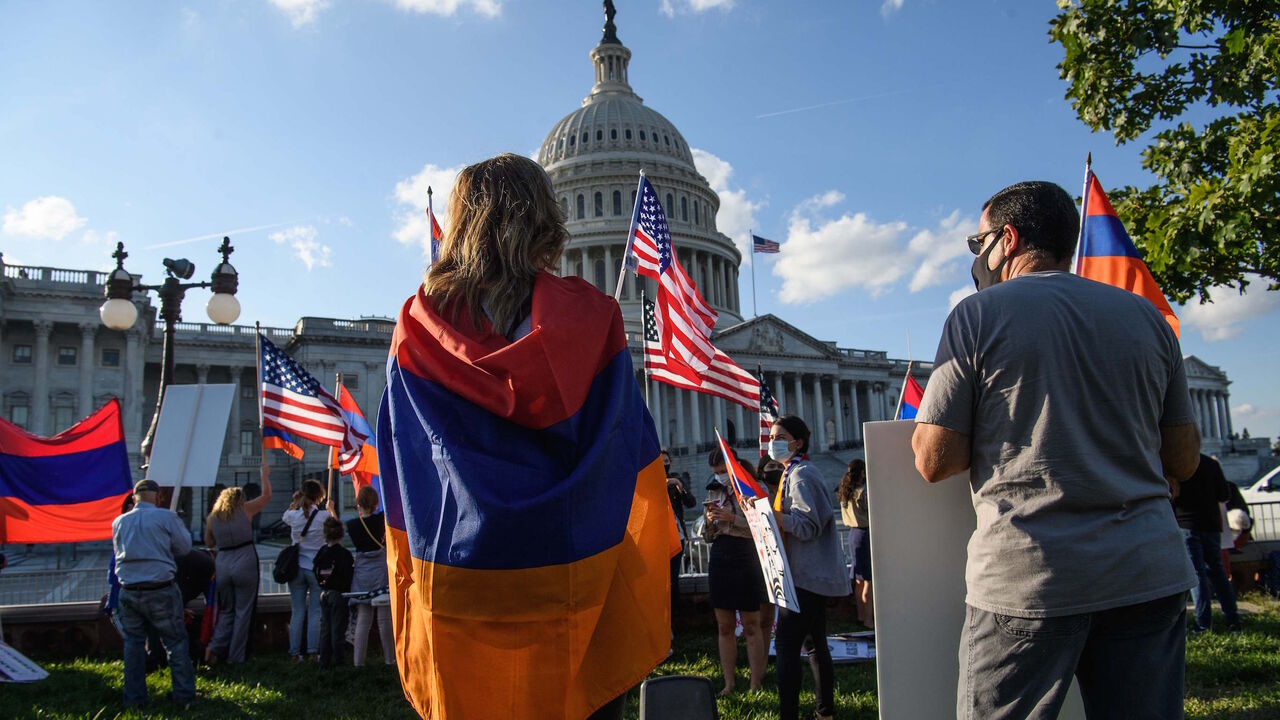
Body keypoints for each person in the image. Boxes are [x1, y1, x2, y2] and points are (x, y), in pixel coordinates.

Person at [377, 153, 670, 720]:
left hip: (457, 576)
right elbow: (622, 446)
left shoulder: (417, 326)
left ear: (462, 225)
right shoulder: (593, 318)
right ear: (545, 219)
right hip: (573, 573)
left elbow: (405, 461)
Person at [911, 180, 1200, 720]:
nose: (978, 259)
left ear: (1009, 240)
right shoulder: (1149, 320)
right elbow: (1183, 459)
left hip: (1030, 576)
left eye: (979, 245)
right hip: (1146, 570)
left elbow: (934, 460)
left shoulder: (977, 316)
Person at [767, 415, 850, 720]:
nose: (772, 442)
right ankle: (824, 712)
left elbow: (808, 526)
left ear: (797, 442)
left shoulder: (801, 475)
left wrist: (775, 518)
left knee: (787, 647)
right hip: (809, 575)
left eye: (779, 437)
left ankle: (789, 714)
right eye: (771, 437)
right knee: (815, 645)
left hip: (805, 577)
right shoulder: (795, 472)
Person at [110, 479, 196, 709]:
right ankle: (183, 694)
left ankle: (134, 699)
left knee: (133, 645)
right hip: (160, 589)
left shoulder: (119, 522)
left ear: (134, 497)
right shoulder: (166, 518)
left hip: (128, 590)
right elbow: (184, 548)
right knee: (175, 642)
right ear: (158, 497)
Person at [702, 448, 767, 696]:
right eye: (716, 473)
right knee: (724, 626)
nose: (720, 477)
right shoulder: (714, 491)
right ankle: (729, 683)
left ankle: (755, 682)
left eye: (722, 472)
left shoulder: (751, 487)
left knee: (752, 623)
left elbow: (763, 527)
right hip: (721, 556)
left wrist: (733, 518)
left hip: (746, 556)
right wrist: (709, 522)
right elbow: (708, 536)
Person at [203, 461, 273, 664]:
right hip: (245, 559)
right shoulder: (245, 510)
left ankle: (215, 647)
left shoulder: (213, 518)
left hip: (223, 561)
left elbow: (209, 542)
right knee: (243, 612)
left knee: (227, 610)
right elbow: (266, 497)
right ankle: (236, 657)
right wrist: (264, 476)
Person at [1173, 453, 1242, 633]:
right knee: (1217, 571)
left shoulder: (1177, 463)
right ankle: (1233, 620)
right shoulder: (1211, 464)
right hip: (1211, 524)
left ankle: (1203, 623)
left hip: (1186, 523)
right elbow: (1224, 494)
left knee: (1197, 574)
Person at [342, 485, 395, 667]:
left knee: (363, 619)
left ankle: (359, 662)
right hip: (380, 571)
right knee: (384, 619)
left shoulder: (352, 525)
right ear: (375, 503)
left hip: (362, 573)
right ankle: (390, 659)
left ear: (358, 503)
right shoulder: (381, 520)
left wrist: (332, 511)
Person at [282, 479, 330, 661]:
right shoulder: (323, 516)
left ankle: (294, 652)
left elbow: (285, 516)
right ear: (319, 496)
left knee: (298, 611)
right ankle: (312, 651)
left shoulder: (293, 516)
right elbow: (334, 523)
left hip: (296, 569)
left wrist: (295, 502)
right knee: (315, 612)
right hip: (314, 568)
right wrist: (330, 508)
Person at [313, 516, 354, 669]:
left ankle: (323, 662)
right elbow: (348, 574)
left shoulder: (322, 553)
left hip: (324, 593)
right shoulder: (344, 554)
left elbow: (314, 569)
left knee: (325, 628)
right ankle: (339, 662)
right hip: (339, 594)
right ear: (341, 534)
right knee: (338, 629)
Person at [837, 458, 873, 629]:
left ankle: (860, 615)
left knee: (859, 579)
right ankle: (868, 619)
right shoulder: (862, 492)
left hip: (853, 534)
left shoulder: (845, 491)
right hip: (864, 533)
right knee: (868, 580)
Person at [664, 448, 696, 635]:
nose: (664, 464)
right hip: (659, 539)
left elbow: (691, 503)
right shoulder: (651, 479)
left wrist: (679, 485)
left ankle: (672, 624)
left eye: (666, 460)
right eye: (660, 461)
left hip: (677, 537)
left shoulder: (676, 480)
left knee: (673, 582)